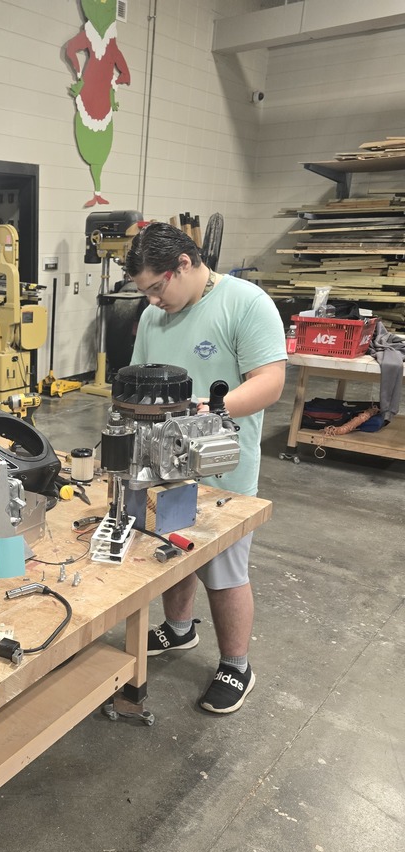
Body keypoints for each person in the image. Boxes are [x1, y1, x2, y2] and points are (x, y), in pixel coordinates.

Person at [125, 222, 286, 714]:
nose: (153, 300)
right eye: (145, 292)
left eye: (157, 287)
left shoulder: (246, 302)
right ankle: (178, 630)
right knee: (171, 550)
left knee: (224, 571)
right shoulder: (155, 317)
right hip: (163, 465)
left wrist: (210, 412)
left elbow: (270, 382)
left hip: (223, 474)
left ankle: (237, 665)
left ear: (186, 265)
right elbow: (135, 383)